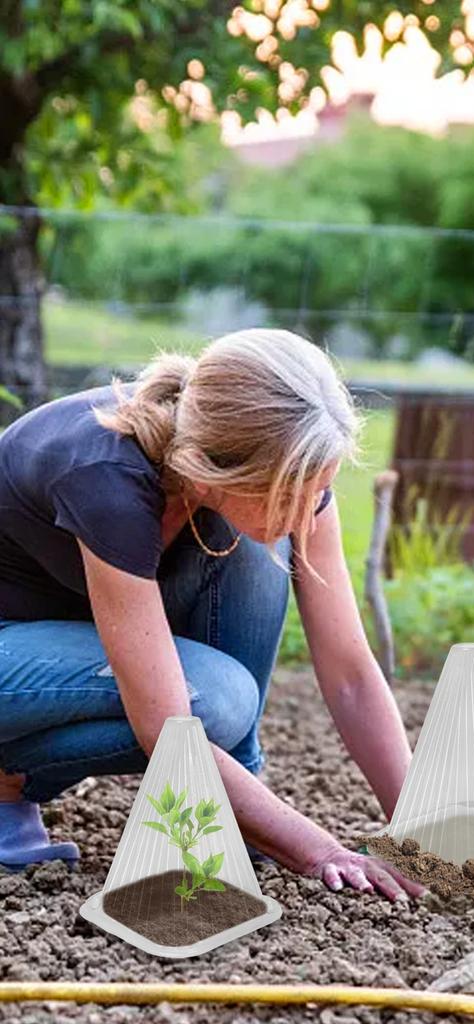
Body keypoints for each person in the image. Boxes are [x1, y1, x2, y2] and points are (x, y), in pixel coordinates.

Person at [0, 327, 426, 902]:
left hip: (68, 639)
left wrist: (422, 831)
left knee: (257, 546)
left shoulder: (252, 471)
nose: (309, 514)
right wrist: (321, 851)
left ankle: (232, 805)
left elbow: (349, 672)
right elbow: (167, 729)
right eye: (291, 494)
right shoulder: (107, 480)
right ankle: (7, 784)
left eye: (320, 489)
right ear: (208, 469)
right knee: (216, 699)